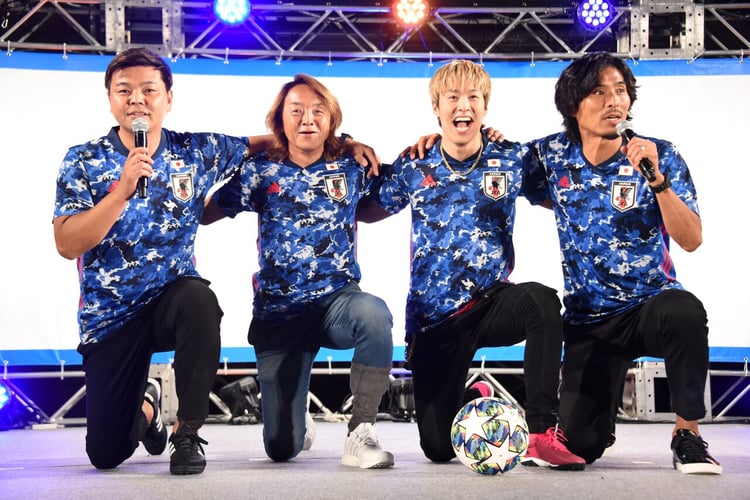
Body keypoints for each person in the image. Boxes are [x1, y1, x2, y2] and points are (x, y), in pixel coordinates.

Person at [52, 48, 378, 476]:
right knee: (107, 454)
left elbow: (268, 141)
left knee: (200, 301)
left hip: (172, 299)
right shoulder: (83, 159)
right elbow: (67, 244)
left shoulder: (196, 151)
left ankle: (187, 432)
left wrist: (343, 142)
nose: (137, 100)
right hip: (111, 317)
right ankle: (148, 406)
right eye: (124, 91)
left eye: (149, 90)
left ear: (168, 98)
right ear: (110, 99)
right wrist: (121, 192)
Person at [357, 59, 585, 470]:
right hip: (434, 319)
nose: (463, 105)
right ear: (436, 107)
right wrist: (349, 146)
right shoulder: (414, 163)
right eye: (453, 97)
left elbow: (563, 196)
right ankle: (474, 395)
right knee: (439, 448)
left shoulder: (511, 158)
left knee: (541, 302)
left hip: (490, 301)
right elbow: (368, 209)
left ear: (485, 106)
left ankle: (540, 433)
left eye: (473, 97)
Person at [523, 52, 721, 474]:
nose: (614, 101)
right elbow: (490, 168)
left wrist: (657, 182)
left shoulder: (659, 154)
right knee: (579, 448)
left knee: (685, 311)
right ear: (573, 104)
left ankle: (687, 433)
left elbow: (691, 239)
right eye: (599, 92)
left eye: (621, 91)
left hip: (649, 305)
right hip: (589, 319)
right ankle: (598, 420)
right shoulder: (548, 155)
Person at [201, 74, 395, 469]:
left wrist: (436, 143)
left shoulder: (351, 165)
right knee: (281, 449)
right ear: (280, 120)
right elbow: (204, 214)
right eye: (297, 111)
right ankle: (295, 412)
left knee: (375, 314)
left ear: (331, 119)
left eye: (318, 111)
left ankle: (361, 432)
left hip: (337, 302)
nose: (308, 119)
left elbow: (402, 189)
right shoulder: (259, 171)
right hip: (280, 312)